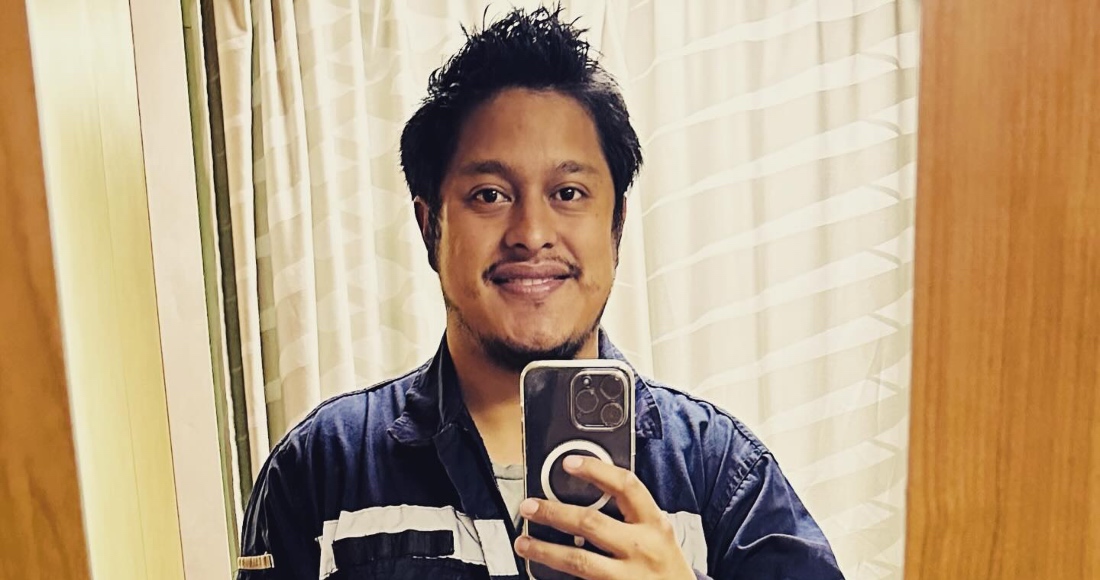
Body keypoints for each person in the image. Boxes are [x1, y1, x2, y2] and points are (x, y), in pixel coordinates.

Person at [236, 6, 843, 580]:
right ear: (429, 226)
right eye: (490, 195)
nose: (531, 233)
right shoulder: (322, 468)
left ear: (617, 223)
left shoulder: (719, 474)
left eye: (568, 193)